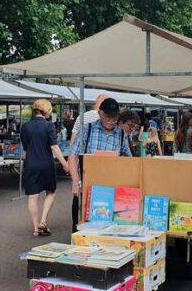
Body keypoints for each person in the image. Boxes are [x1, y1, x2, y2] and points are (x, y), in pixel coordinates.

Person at [67, 98, 131, 231]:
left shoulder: (121, 134)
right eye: (108, 116)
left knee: (108, 228)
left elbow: (128, 160)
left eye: (115, 117)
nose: (112, 120)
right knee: (81, 227)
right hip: (87, 187)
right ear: (100, 113)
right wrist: (75, 181)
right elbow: (73, 156)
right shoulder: (87, 129)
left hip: (111, 189)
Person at [20, 99, 70, 237]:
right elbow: (54, 146)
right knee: (51, 192)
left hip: (30, 163)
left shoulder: (25, 126)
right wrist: (65, 164)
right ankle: (43, 221)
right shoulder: (49, 126)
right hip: (46, 164)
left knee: (32, 197)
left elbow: (25, 148)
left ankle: (36, 228)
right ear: (46, 110)